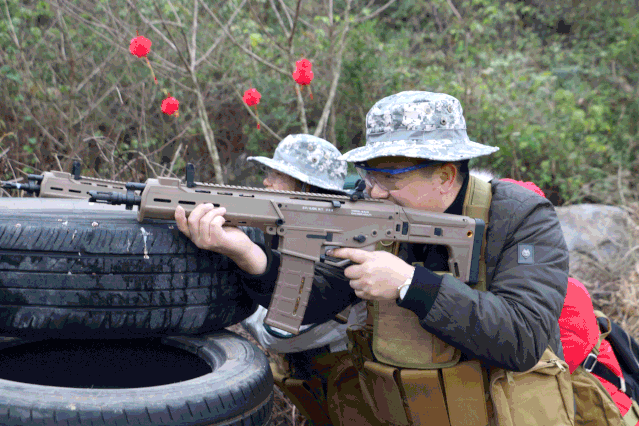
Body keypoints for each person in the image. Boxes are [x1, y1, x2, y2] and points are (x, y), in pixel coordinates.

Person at [175, 92, 572, 426]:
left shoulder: (520, 217)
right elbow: (321, 296)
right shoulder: (376, 211)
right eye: (369, 174)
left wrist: (411, 285)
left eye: (390, 178)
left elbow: (523, 339)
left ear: (446, 176)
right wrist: (249, 254)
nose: (374, 191)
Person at [179, 133, 362, 426]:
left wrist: (242, 256)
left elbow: (277, 333)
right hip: (309, 385)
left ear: (306, 189)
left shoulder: (343, 243)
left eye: (277, 175)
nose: (266, 182)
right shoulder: (283, 231)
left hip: (347, 387)